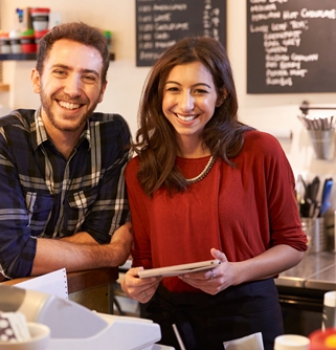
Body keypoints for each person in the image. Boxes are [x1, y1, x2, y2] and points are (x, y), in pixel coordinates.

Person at [121, 37, 308, 350]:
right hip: (169, 322)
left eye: (200, 90)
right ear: (159, 94)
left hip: (245, 315)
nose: (186, 104)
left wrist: (235, 272)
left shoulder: (260, 151)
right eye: (174, 89)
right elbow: (144, 260)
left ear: (221, 95)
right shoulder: (141, 168)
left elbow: (293, 245)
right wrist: (135, 283)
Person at [0, 22, 133, 280]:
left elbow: (102, 232)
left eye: (88, 77)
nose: (73, 90)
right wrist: (113, 254)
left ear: (102, 90)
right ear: (37, 80)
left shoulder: (112, 135)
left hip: (83, 294)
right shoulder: (5, 138)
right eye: (61, 72)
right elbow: (13, 257)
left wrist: (36, 252)